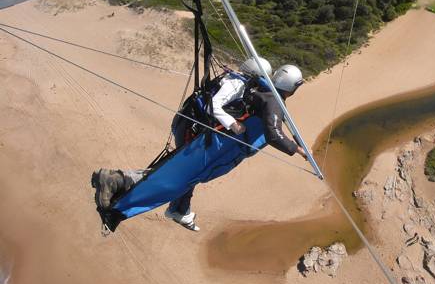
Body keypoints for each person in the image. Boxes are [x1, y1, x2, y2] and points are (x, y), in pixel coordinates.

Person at [91, 63, 308, 232]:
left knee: (182, 177)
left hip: (212, 139)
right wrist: (296, 150)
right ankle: (116, 181)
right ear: (294, 87)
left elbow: (272, 122)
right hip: (219, 146)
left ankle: (177, 209)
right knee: (175, 179)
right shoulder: (273, 101)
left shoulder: (262, 91)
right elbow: (273, 133)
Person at [164, 56, 272, 230]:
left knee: (192, 172)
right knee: (190, 171)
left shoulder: (235, 78)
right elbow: (212, 106)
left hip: (189, 124)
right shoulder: (237, 84)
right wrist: (234, 124)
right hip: (189, 127)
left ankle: (178, 209)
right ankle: (177, 209)